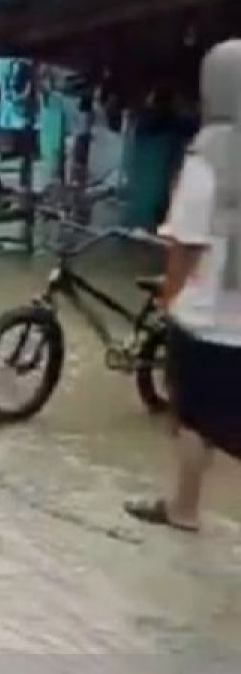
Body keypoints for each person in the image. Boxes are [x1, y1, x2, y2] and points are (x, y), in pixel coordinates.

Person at [125, 40, 241, 533]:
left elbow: (187, 243)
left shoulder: (208, 156)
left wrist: (168, 294)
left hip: (206, 317)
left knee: (193, 418)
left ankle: (184, 509)